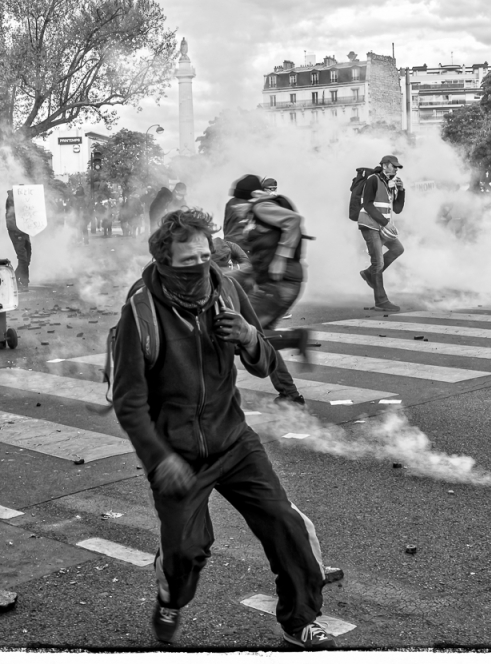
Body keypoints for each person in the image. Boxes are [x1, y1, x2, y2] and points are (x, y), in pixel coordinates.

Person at [111, 208, 336, 650]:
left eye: (205, 255)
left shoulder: (227, 290)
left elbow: (266, 358)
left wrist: (250, 337)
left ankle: (299, 621)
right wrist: (160, 459)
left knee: (285, 526)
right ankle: (170, 598)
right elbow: (129, 403)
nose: (199, 267)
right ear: (163, 260)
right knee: (187, 553)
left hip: (233, 440)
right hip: (177, 455)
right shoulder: (140, 314)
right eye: (187, 260)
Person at [229, 175, 312, 408]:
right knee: (262, 337)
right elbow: (258, 258)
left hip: (280, 283)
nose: (234, 207)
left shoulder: (262, 207)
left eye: (237, 201)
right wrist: (227, 277)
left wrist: (280, 258)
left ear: (250, 196)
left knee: (242, 335)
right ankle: (290, 395)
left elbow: (294, 221)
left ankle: (296, 338)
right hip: (280, 283)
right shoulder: (255, 214)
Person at [357, 154, 406, 311]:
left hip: (381, 227)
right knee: (378, 262)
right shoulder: (373, 179)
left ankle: (368, 274)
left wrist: (402, 190)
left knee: (398, 249)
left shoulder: (389, 184)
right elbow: (368, 204)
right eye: (394, 166)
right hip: (370, 225)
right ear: (385, 165)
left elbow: (397, 209)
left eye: (398, 167)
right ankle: (381, 301)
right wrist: (385, 223)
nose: (397, 169)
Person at [5, 189, 32, 291]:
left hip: (24, 231)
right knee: (23, 257)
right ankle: (23, 281)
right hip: (16, 232)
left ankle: (15, 278)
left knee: (27, 256)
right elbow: (10, 218)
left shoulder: (22, 201)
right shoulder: (12, 200)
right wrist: (17, 232)